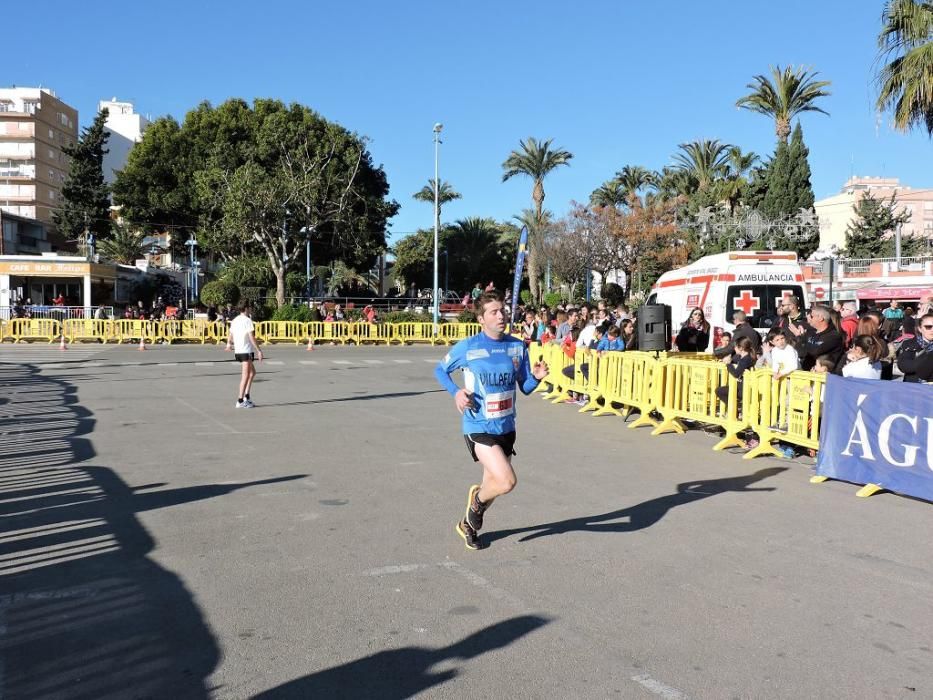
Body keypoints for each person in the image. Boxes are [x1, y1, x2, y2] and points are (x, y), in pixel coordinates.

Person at [435, 290, 549, 550]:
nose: (501, 315)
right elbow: (440, 369)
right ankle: (475, 505)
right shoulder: (469, 347)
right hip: (478, 425)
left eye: (503, 310)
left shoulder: (517, 346)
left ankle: (468, 524)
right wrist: (456, 393)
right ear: (481, 319)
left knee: (494, 484)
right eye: (494, 312)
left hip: (506, 427)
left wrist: (538, 377)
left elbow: (526, 387)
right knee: (507, 481)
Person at [225, 301, 264, 408]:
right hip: (245, 350)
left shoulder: (235, 320)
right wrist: (259, 350)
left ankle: (247, 396)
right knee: (245, 375)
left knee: (252, 373)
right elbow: (251, 337)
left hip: (239, 350)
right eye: (250, 307)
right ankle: (240, 400)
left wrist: (229, 344)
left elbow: (231, 334)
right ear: (246, 308)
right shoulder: (247, 320)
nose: (251, 309)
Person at [799, 306, 844, 372]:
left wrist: (802, 339)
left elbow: (815, 351)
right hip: (806, 373)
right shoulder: (810, 332)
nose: (809, 318)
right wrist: (802, 339)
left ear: (820, 318)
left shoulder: (834, 336)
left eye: (811, 316)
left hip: (824, 376)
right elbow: (799, 351)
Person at [897, 312, 933, 383]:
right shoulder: (909, 344)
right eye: (928, 327)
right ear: (920, 329)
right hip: (913, 388)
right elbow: (904, 366)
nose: (932, 330)